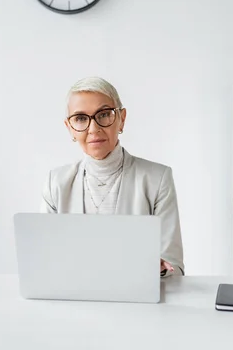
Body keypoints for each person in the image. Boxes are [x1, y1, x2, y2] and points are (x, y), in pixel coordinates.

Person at [40, 76, 185, 276]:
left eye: (104, 114)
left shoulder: (157, 179)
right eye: (81, 118)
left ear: (121, 119)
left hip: (138, 301)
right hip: (74, 301)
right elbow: (43, 261)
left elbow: (174, 267)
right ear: (70, 128)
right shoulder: (56, 183)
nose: (93, 129)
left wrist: (158, 269)